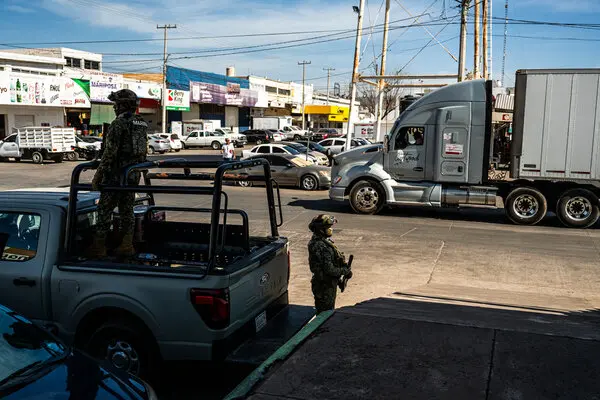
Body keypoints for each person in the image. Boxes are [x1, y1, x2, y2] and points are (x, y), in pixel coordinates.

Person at [89, 89, 148, 258]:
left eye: (116, 104)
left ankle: (99, 247)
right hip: (133, 174)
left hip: (116, 175)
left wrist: (98, 175)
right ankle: (126, 244)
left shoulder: (119, 123)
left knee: (104, 209)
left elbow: (110, 153)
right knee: (126, 210)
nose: (114, 108)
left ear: (123, 105)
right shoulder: (141, 122)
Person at [307, 214, 352, 313]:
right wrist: (345, 271)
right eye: (328, 227)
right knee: (325, 314)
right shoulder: (320, 245)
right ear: (320, 229)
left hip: (328, 284)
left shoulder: (324, 242)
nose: (330, 229)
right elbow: (329, 269)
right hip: (324, 286)